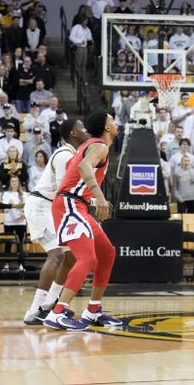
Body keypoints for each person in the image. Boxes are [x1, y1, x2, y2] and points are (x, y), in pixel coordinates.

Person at [44, 111, 122, 331]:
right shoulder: (100, 146)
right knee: (87, 258)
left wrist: (91, 199)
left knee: (107, 252)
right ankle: (58, 313)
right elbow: (83, 167)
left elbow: (77, 170)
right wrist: (100, 197)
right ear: (107, 128)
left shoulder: (90, 145)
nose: (116, 124)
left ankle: (93, 310)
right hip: (69, 204)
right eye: (113, 121)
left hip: (77, 205)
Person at [22, 119, 89, 325]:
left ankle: (50, 304)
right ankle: (35, 309)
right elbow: (64, 189)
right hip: (42, 205)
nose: (85, 130)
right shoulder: (64, 154)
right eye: (82, 127)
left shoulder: (75, 154)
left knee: (70, 257)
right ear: (72, 133)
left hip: (54, 206)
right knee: (57, 255)